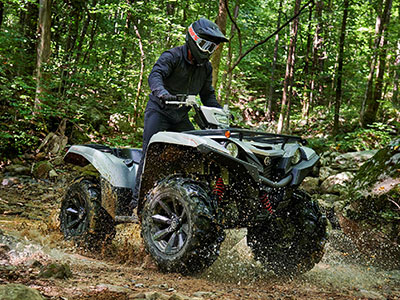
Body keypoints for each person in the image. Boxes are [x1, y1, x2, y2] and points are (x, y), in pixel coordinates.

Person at [130, 18, 228, 210]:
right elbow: (155, 75)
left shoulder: (206, 68)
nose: (208, 51)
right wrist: (162, 93)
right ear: (193, 40)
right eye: (205, 45)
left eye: (212, 47)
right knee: (150, 154)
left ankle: (191, 200)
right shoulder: (172, 56)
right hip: (160, 111)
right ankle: (136, 203)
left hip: (181, 117)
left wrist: (221, 116)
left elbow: (207, 95)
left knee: (198, 153)